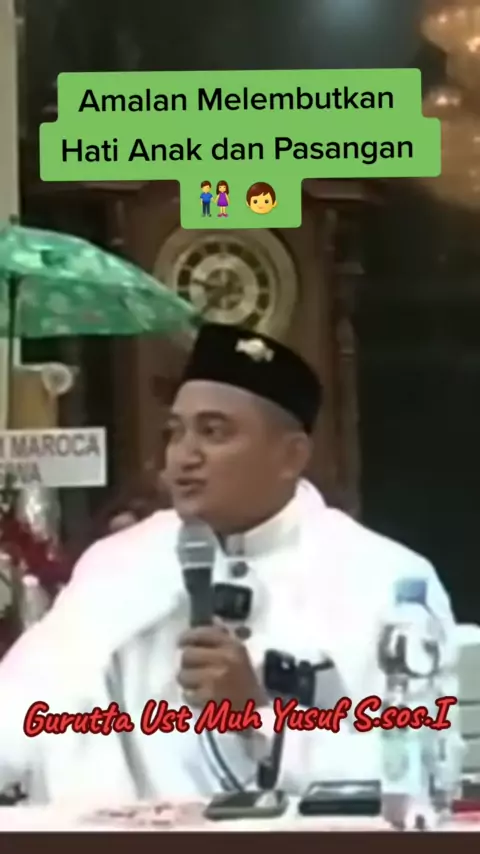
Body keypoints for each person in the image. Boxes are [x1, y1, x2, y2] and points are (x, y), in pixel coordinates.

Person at [0, 323, 459, 806]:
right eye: (175, 433)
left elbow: (428, 767)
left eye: (213, 432)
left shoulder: (384, 578)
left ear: (291, 456)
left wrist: (258, 715)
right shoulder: (122, 563)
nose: (185, 455)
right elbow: (21, 706)